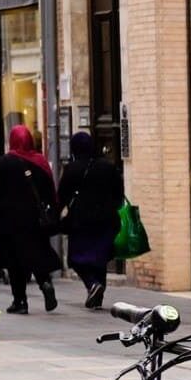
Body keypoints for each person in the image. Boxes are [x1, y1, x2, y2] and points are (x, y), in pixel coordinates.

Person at [0, 124, 61, 314]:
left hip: (9, 222)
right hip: (34, 221)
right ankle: (45, 283)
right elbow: (50, 192)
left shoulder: (6, 162)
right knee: (36, 255)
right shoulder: (40, 162)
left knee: (15, 262)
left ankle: (21, 302)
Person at [58, 130, 125, 309]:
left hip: (81, 220)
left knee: (75, 258)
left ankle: (92, 285)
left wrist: (55, 215)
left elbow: (62, 195)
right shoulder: (108, 167)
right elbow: (119, 194)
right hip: (106, 220)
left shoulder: (72, 168)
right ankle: (98, 293)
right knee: (100, 258)